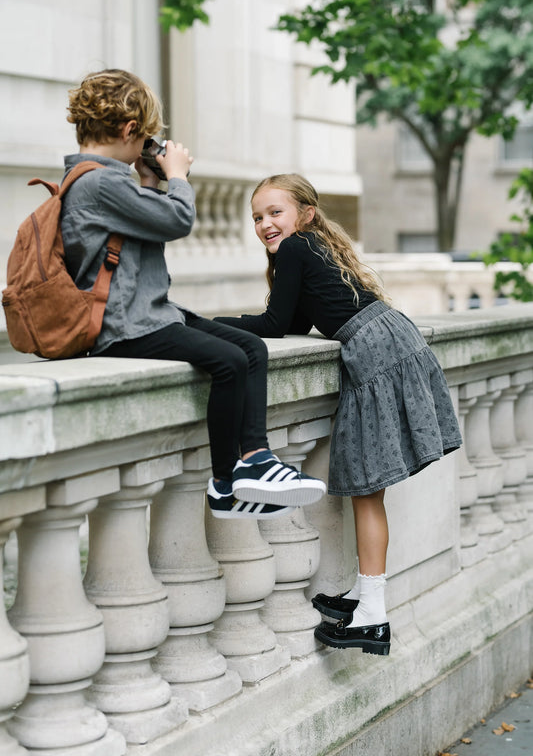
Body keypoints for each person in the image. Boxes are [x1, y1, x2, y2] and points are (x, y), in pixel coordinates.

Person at [214, 173, 462, 654]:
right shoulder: (311, 248)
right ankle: (363, 598)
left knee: (366, 490)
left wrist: (200, 325)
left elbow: (270, 325)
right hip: (391, 338)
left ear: (305, 214)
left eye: (274, 213)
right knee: (367, 490)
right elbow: (294, 322)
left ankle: (372, 615)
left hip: (376, 353)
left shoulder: (294, 249)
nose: (265, 224)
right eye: (257, 218)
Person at [61, 71, 326, 520]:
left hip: (151, 313)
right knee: (229, 361)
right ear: (130, 131)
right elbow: (178, 221)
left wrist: (149, 181)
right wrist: (178, 176)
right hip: (125, 325)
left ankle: (256, 459)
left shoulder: (108, 182)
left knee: (251, 348)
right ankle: (225, 483)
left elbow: (145, 232)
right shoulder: (98, 182)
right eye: (145, 137)